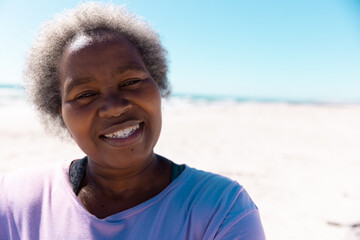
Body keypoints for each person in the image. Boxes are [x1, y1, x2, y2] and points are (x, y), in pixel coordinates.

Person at [0, 2, 265, 239]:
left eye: (131, 82)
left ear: (158, 85)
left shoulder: (222, 210)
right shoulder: (14, 202)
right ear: (60, 114)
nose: (114, 108)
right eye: (86, 94)